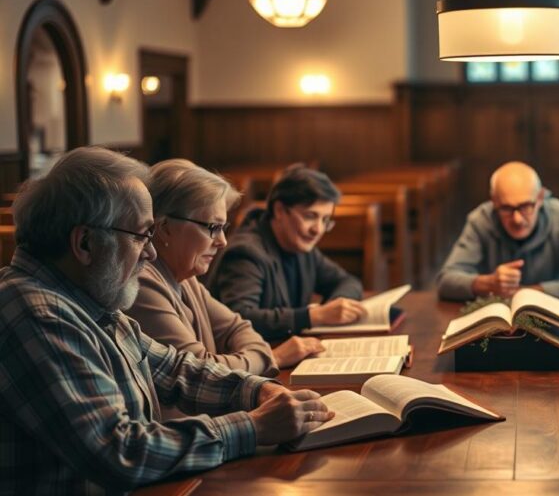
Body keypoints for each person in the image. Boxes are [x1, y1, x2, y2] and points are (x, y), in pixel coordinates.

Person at [0, 147, 332, 493]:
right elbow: (120, 451)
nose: (152, 251)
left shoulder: (87, 302)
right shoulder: (34, 311)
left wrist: (258, 390)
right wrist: (254, 427)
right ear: (85, 242)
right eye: (141, 235)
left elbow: (175, 369)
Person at [128, 160, 324, 385]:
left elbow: (238, 327)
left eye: (224, 228)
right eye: (213, 227)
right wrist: (274, 357)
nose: (222, 241)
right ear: (164, 229)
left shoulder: (185, 277)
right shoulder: (143, 284)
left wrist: (259, 355)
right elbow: (203, 371)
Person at [208, 165, 366, 340]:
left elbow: (347, 281)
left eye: (326, 220)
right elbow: (240, 318)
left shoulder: (302, 246)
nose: (318, 229)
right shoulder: (246, 252)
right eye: (310, 216)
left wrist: (336, 308)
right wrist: (313, 316)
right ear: (279, 210)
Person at [436, 161, 559, 301]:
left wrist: (523, 293)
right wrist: (488, 284)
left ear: (540, 198)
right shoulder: (480, 220)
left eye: (525, 207)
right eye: (506, 208)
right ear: (494, 201)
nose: (517, 219)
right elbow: (445, 280)